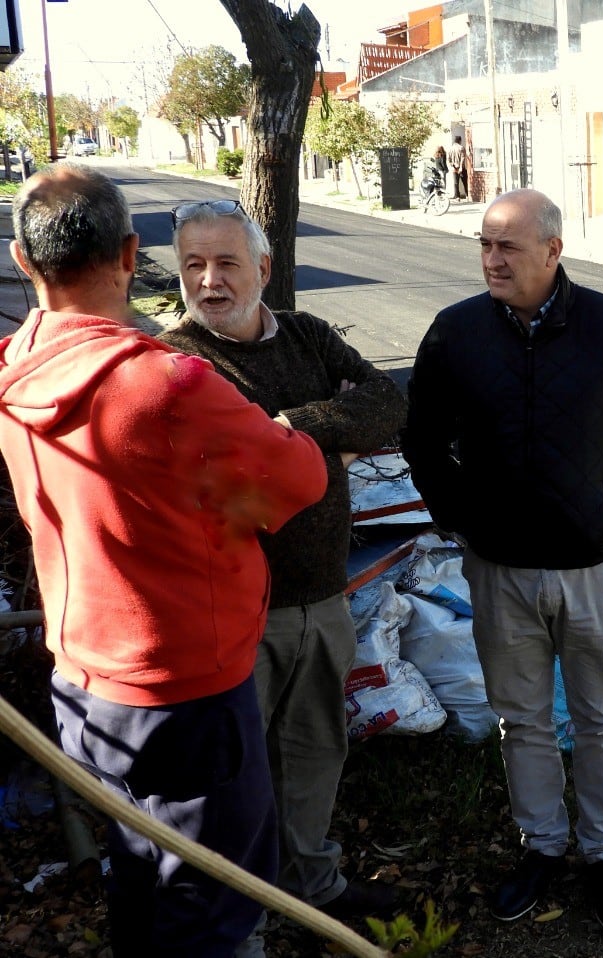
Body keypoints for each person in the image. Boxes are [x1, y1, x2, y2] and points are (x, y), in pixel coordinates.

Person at [0, 165, 328, 956]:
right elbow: (300, 478)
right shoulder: (169, 386)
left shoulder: (15, 366)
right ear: (130, 255)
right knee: (210, 906)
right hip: (185, 698)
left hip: (82, 690)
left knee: (140, 871)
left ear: (21, 259)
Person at [401, 188, 603, 937]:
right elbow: (421, 440)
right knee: (521, 720)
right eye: (485, 245)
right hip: (500, 570)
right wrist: (460, 517)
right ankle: (542, 846)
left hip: (593, 568)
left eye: (508, 247)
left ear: (553, 252)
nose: (492, 260)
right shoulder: (456, 333)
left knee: (596, 718)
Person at [160, 199, 407, 922]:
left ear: (263, 268)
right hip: (234, 611)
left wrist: (292, 426)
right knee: (236, 775)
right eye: (193, 265)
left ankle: (314, 885)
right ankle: (245, 911)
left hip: (323, 595)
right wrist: (329, 447)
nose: (209, 281)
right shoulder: (173, 359)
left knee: (316, 751)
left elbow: (389, 403)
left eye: (226, 262)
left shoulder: (305, 334)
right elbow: (222, 477)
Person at [447, 135, 467, 200]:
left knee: (456, 183)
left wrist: (452, 166)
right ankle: (467, 195)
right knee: (465, 182)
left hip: (454, 168)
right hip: (461, 168)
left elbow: (448, 159)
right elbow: (462, 158)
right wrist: (461, 167)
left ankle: (457, 196)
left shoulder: (450, 148)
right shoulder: (461, 148)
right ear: (459, 140)